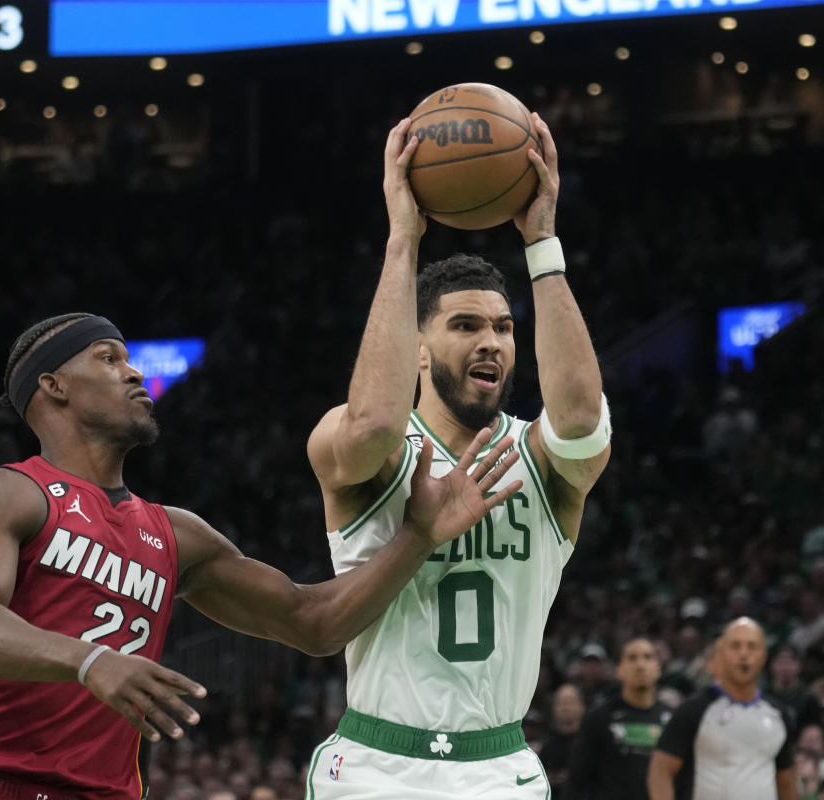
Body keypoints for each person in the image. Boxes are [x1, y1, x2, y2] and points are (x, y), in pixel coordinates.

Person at [0, 313, 523, 800]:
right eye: (108, 358)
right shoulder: (5, 490)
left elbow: (311, 622)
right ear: (53, 385)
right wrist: (91, 662)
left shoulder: (176, 534)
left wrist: (416, 536)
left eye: (130, 358)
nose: (134, 372)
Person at [303, 112, 611, 799]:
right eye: (465, 325)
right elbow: (376, 421)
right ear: (417, 347)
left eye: (503, 328)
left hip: (501, 764)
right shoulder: (367, 452)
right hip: (380, 765)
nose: (493, 343)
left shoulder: (540, 458)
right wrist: (402, 238)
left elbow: (585, 421)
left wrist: (542, 241)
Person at [647, 618, 798, 800]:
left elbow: (786, 783)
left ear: (763, 656)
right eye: (735, 646)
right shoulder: (694, 710)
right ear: (722, 654)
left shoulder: (777, 714)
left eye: (752, 647)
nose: (744, 654)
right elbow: (660, 772)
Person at [565, 638, 672, 800]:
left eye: (648, 657)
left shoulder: (672, 719)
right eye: (632, 658)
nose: (640, 665)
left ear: (658, 668)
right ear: (619, 669)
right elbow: (576, 781)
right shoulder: (598, 718)